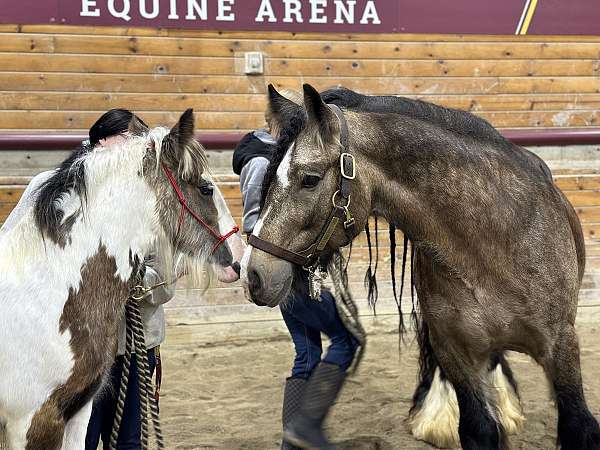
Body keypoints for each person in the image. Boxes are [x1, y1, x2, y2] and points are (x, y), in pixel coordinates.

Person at [233, 90, 358, 450]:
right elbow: (258, 222)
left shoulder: (274, 158)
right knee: (348, 339)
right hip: (285, 271)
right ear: (280, 125)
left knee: (306, 353)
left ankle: (293, 441)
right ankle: (303, 427)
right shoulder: (261, 164)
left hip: (291, 270)